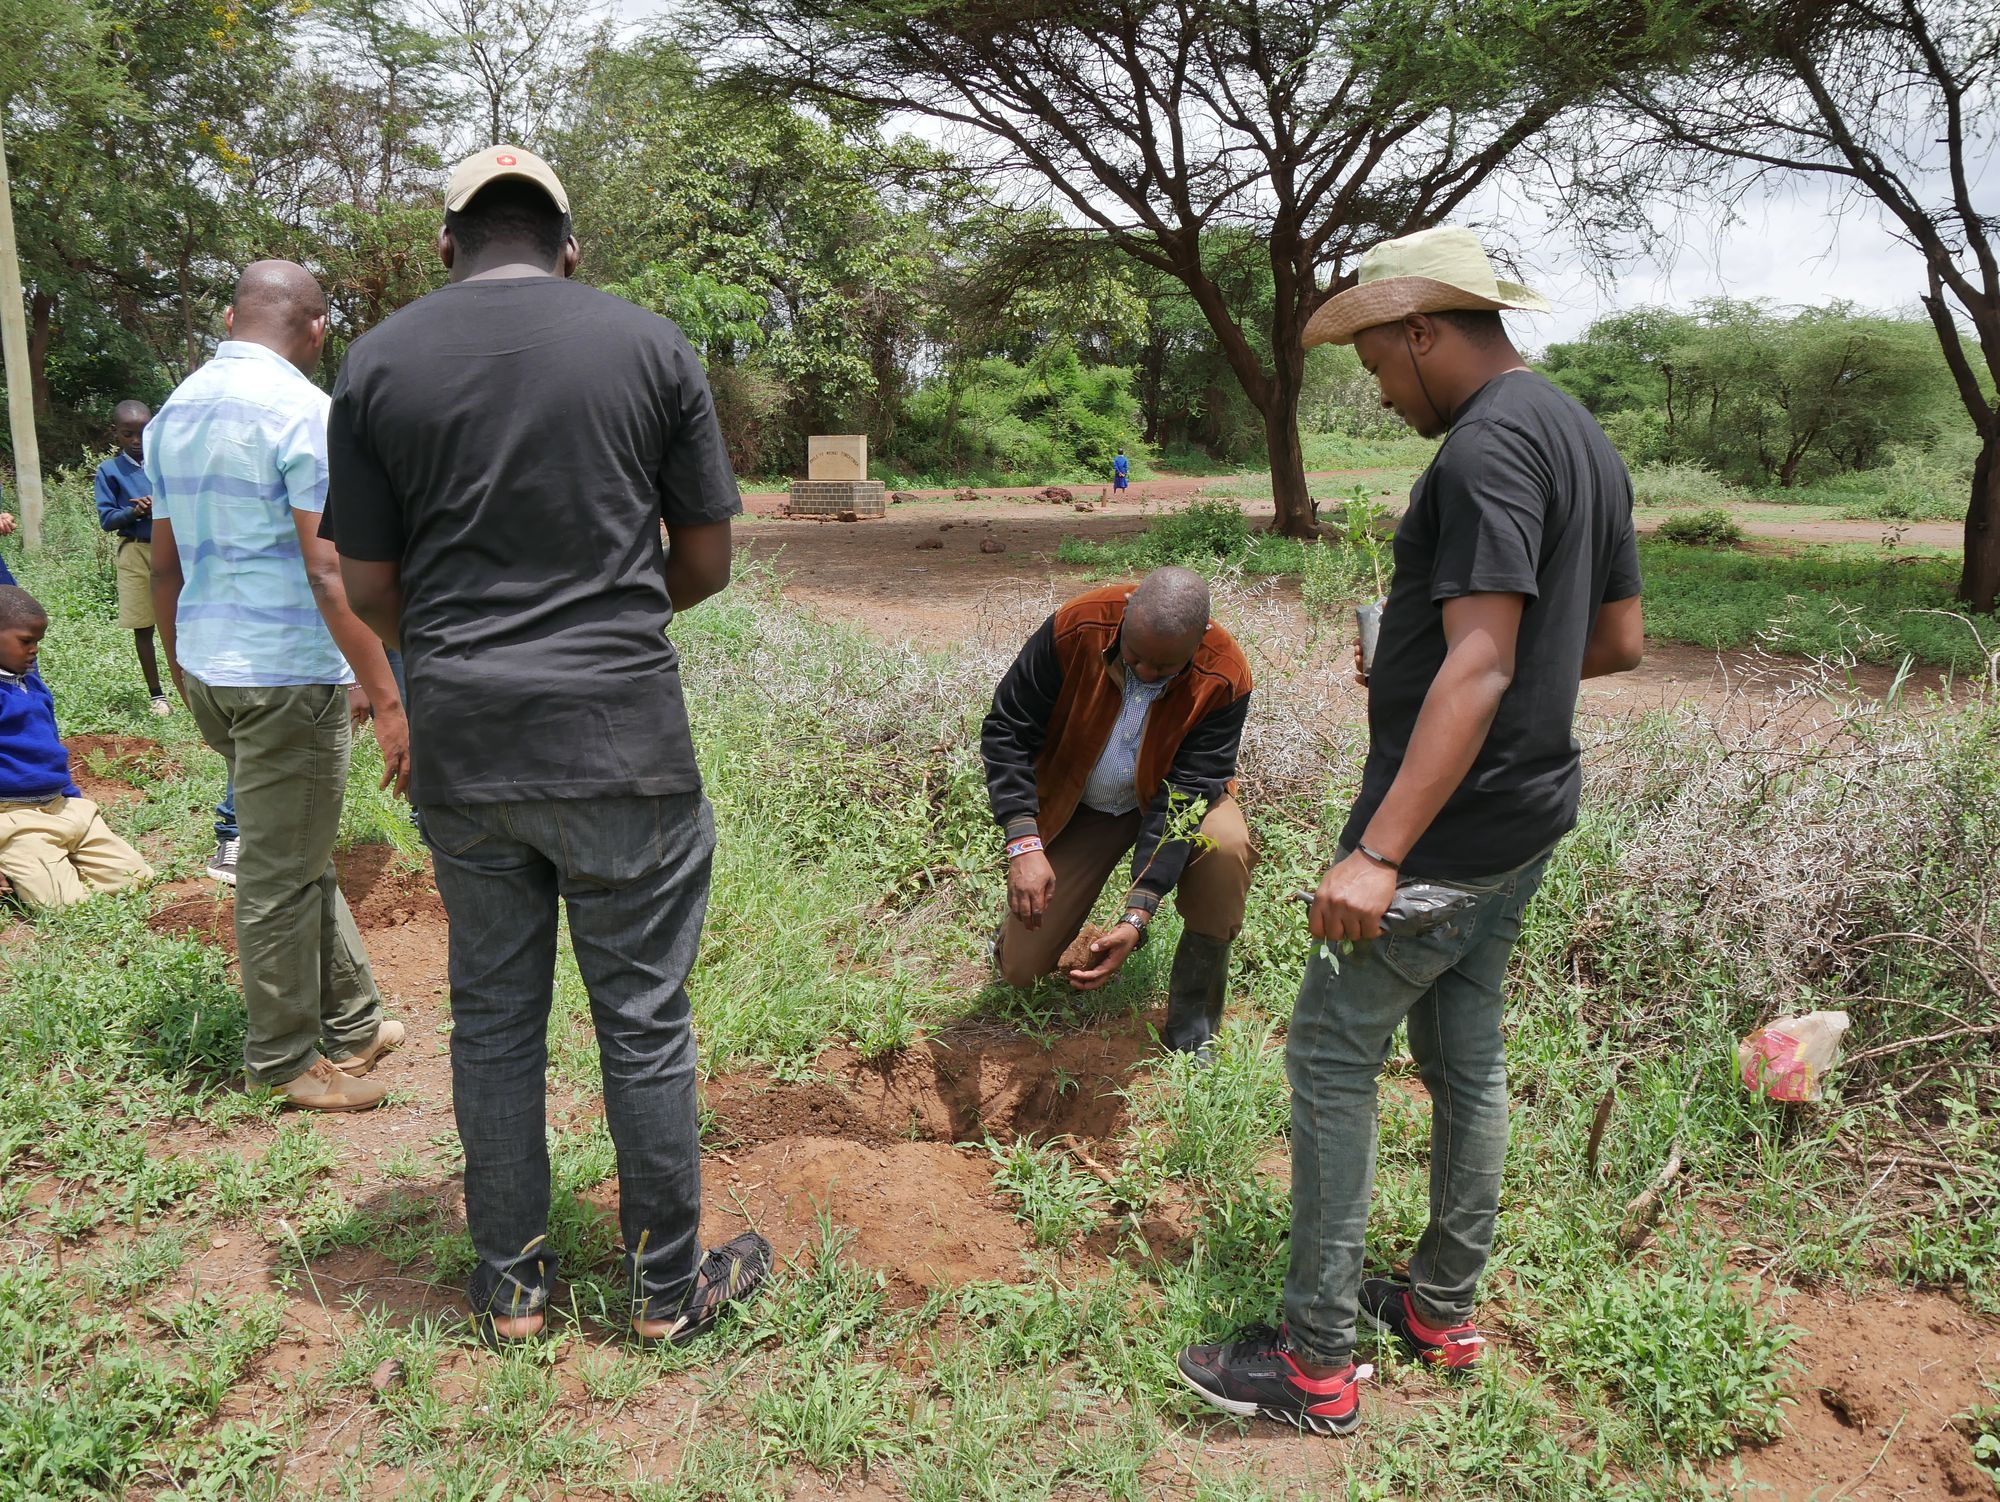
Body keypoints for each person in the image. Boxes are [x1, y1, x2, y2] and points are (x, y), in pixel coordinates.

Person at [1176, 226, 1645, 1435]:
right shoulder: (1578, 435)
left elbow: (1485, 661)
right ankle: (1440, 1307)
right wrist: (1416, 658)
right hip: (1528, 816)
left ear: (1423, 330)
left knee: (1330, 1057)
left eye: (1378, 364)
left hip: (1444, 832)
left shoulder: (1485, 447)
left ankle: (1316, 1359)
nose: (1378, 391)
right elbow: (1606, 642)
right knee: (1464, 1055)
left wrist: (1378, 850)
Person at [320, 145, 770, 1345]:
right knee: (643, 1019)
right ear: (570, 244)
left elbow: (367, 580)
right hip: (621, 737)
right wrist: (603, 627)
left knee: (495, 1016)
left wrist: (466, 653)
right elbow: (709, 558)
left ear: (446, 243)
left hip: (467, 747)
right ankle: (667, 1289)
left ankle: (511, 1285)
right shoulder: (650, 345)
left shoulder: (375, 362)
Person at [148, 259, 410, 1115]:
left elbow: (166, 563)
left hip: (213, 667)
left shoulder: (173, 412)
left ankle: (355, 1020)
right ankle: (285, 1060)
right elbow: (328, 571)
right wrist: (384, 687)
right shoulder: (306, 413)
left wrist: (186, 667)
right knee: (277, 875)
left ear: (229, 316)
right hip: (286, 671)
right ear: (318, 329)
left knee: (291, 852)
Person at [982, 567, 1255, 1056]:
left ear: (1198, 642)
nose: (1147, 674)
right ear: (1126, 617)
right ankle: (1010, 939)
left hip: (1168, 801)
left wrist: (1138, 913)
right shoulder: (1078, 625)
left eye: (1165, 667)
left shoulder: (1225, 672)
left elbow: (1189, 791)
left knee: (1225, 846)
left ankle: (1193, 1023)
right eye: (1135, 658)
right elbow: (1008, 730)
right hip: (1082, 802)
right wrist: (1024, 843)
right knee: (1021, 971)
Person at [0, 585, 154, 908]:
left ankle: (52, 862)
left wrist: (70, 796)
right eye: (26, 641)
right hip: (15, 818)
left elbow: (51, 746)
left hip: (64, 808)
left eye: (38, 642)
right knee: (63, 904)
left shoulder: (32, 684)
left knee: (136, 878)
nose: (34, 651)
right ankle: (21, 866)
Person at [94, 401, 173, 717]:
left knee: (183, 620)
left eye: (143, 433)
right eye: (129, 434)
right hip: (136, 550)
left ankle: (196, 687)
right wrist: (134, 511)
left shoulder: (166, 464)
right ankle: (157, 696)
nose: (137, 441)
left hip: (173, 550)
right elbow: (107, 518)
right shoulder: (110, 471)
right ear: (116, 434)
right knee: (144, 626)